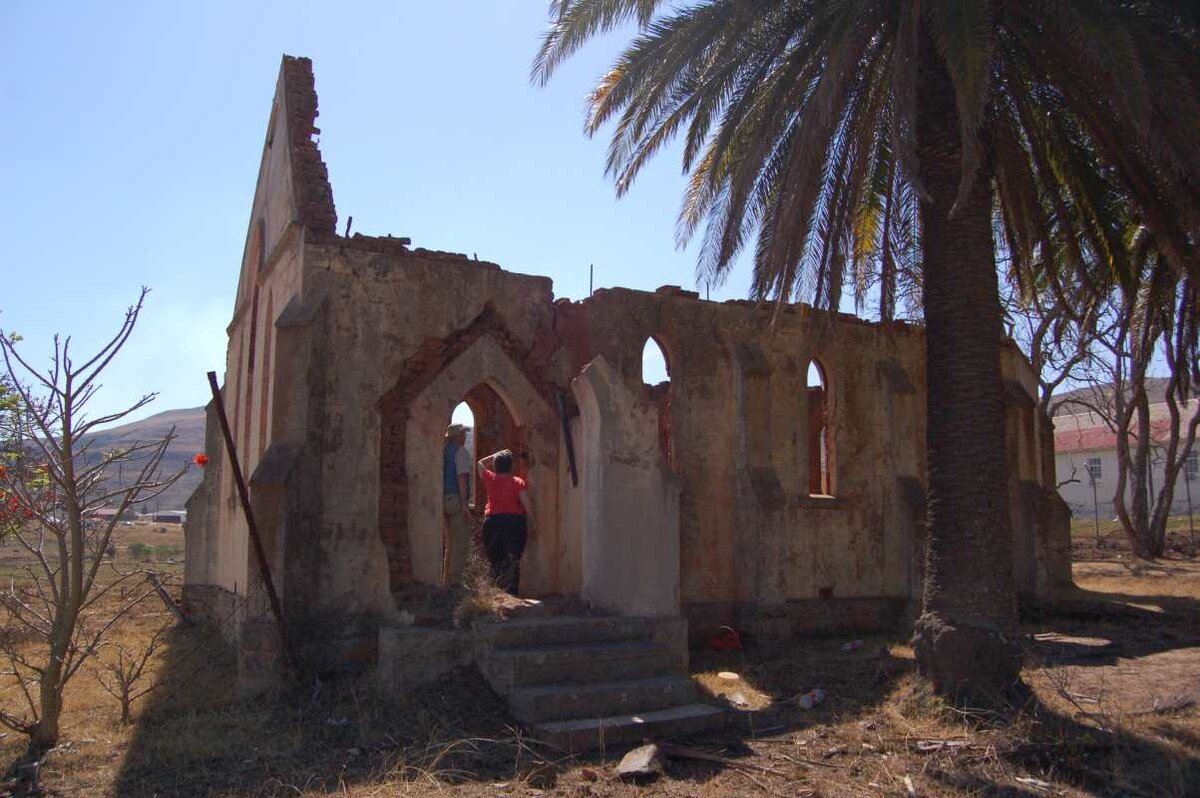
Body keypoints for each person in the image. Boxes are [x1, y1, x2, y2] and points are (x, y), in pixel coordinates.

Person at [477, 448, 534, 595]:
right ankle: (511, 594)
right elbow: (527, 504)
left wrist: (496, 455)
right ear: (511, 465)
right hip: (514, 523)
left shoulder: (490, 478)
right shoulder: (518, 482)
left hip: (493, 523)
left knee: (496, 560)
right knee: (513, 560)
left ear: (496, 465)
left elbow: (479, 463)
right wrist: (534, 522)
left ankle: (497, 593)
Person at [442, 424, 475, 586]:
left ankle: (446, 579)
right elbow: (461, 478)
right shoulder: (460, 452)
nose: (465, 436)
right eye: (463, 434)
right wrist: (464, 504)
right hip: (456, 500)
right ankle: (455, 582)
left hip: (444, 500)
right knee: (460, 542)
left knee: (450, 543)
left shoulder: (444, 451)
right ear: (456, 436)